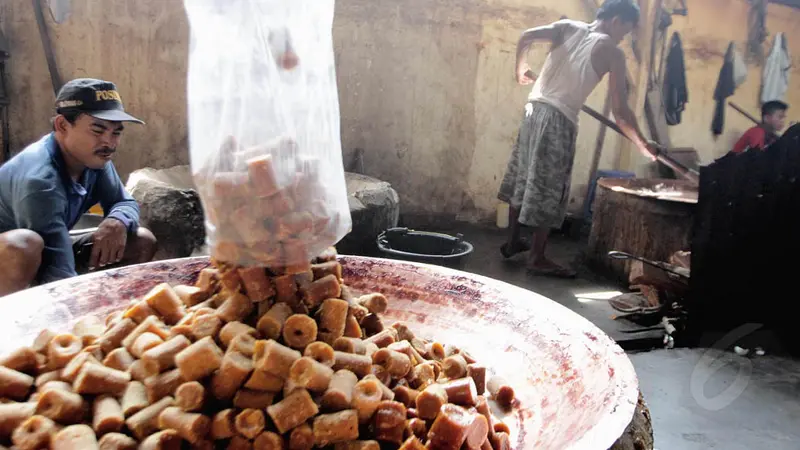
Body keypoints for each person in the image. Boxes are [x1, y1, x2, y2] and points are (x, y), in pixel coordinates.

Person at [498, 0, 659, 278]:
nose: (623, 37)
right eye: (626, 30)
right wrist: (643, 144)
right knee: (551, 189)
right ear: (617, 20)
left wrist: (519, 69)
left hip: (533, 109)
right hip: (559, 119)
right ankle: (536, 257)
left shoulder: (567, 27)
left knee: (523, 178)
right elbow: (620, 112)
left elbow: (526, 36)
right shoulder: (612, 51)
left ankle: (513, 241)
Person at [0, 78, 157, 296]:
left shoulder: (95, 159)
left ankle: (110, 310)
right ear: (62, 125)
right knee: (23, 246)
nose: (109, 143)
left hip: (49, 247)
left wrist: (117, 220)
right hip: (14, 258)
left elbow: (124, 202)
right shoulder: (39, 179)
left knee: (140, 240)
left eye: (116, 132)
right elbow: (57, 269)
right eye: (98, 130)